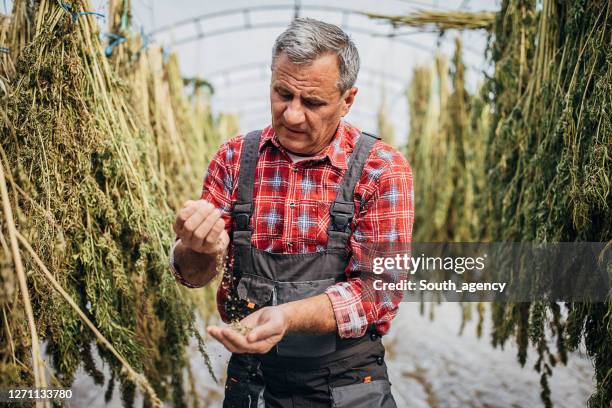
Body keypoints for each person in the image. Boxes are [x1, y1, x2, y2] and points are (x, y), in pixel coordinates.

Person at [169, 17, 413, 408]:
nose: (293, 115)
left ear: (348, 100)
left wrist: (285, 318)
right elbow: (194, 276)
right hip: (254, 378)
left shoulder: (380, 169)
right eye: (282, 94)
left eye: (312, 102)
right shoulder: (234, 159)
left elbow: (377, 291)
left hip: (348, 380)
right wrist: (197, 247)